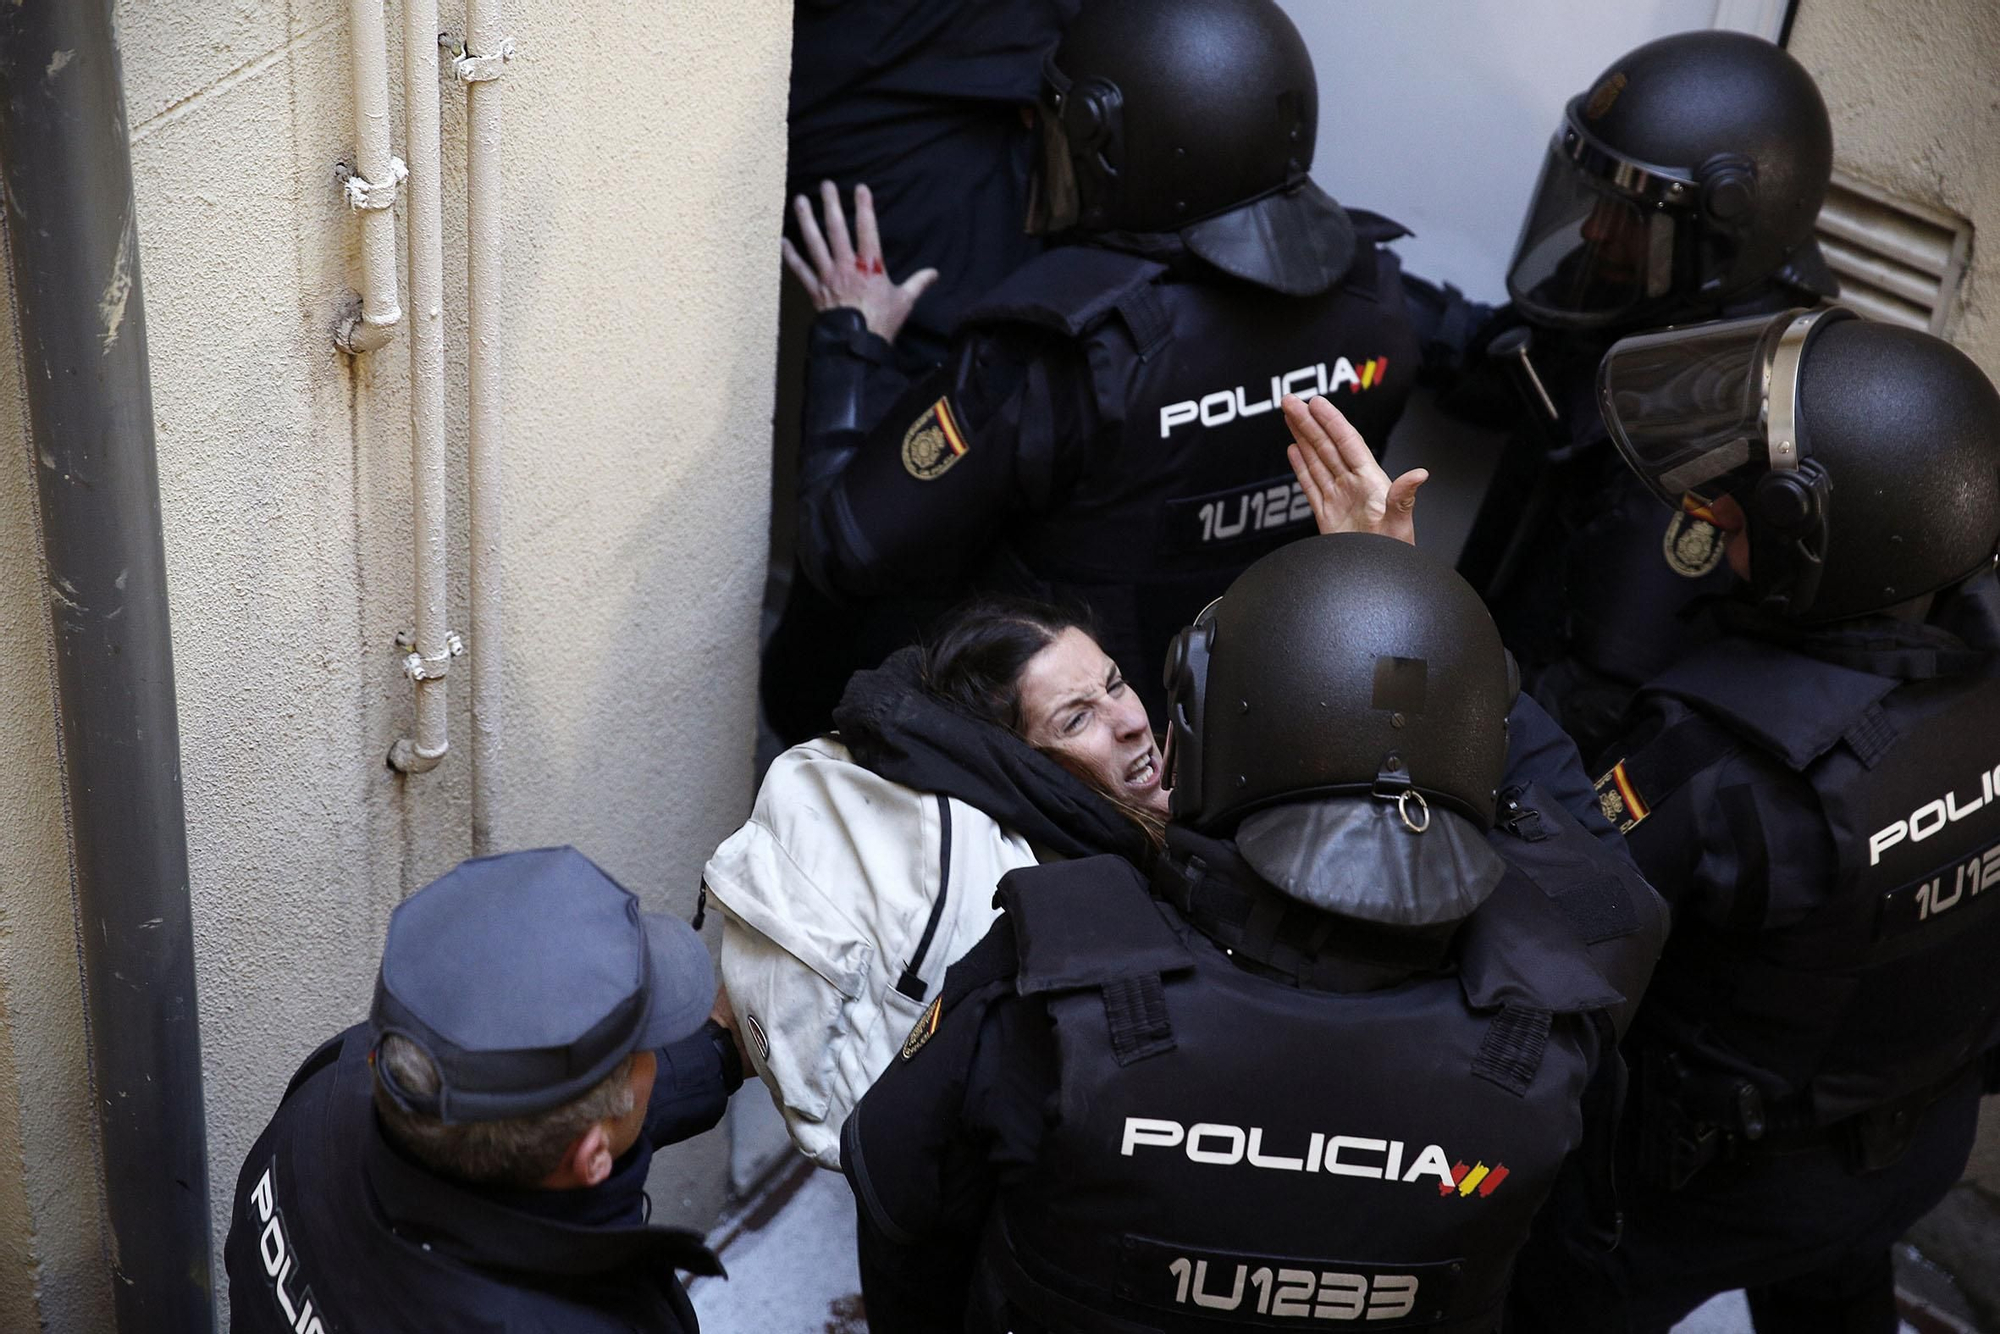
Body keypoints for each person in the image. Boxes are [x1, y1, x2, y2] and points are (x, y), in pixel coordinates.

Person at [842, 532, 1668, 1333]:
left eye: (1119, 687)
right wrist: (1449, 677)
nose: (1129, 722)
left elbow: (902, 1207)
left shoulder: (1055, 970)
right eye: (1076, 717)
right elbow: (1576, 1270)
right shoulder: (1561, 995)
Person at [1507, 309, 2000, 1333]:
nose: (1713, 517)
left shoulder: (1726, 759)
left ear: (1829, 543)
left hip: (1706, 1191)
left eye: (1736, 518)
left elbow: (1557, 912)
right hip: (1910, 1145)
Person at [788, 0, 1429, 728]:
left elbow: (842, 547)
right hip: (1273, 728)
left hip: (1079, 754)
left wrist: (852, 337)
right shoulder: (1381, 298)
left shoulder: (1061, 354)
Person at [1445, 30, 1839, 763]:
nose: (1594, 227)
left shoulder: (1719, 417)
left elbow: (1592, 705)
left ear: (1715, 232)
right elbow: (1496, 364)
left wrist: (1428, 720)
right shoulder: (1642, 290)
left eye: (1625, 213)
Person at [223, 847, 743, 1333]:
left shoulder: (330, 1097)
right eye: (643, 1047)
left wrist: (718, 1052)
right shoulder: (586, 1317)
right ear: (590, 1158)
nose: (653, 1053)